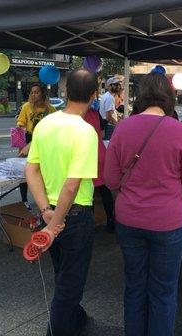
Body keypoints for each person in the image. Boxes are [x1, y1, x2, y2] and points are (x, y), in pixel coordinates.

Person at [104, 72, 182, 336]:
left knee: (134, 286)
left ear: (140, 96)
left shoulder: (123, 127)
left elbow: (111, 179)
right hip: (168, 223)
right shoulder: (181, 130)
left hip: (128, 219)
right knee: (163, 290)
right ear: (169, 97)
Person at [25, 69, 99, 336]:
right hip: (74, 218)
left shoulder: (45, 123)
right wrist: (53, 226)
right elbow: (72, 185)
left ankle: (76, 319)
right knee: (70, 287)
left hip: (50, 214)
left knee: (63, 277)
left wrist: (46, 211)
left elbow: (31, 170)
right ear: (95, 94)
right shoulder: (86, 131)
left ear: (65, 92)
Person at [16, 84, 56, 204]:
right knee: (26, 170)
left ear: (43, 94)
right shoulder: (26, 107)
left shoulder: (50, 109)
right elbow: (21, 122)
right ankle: (24, 200)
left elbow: (53, 129)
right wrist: (20, 134)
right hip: (28, 138)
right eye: (32, 92)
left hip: (44, 141)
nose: (33, 95)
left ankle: (46, 200)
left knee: (43, 171)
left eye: (37, 92)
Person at [83, 106, 115, 232]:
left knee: (87, 192)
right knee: (104, 189)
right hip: (101, 152)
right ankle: (110, 220)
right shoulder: (95, 113)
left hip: (87, 154)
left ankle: (89, 224)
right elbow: (101, 133)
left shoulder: (76, 115)